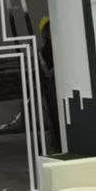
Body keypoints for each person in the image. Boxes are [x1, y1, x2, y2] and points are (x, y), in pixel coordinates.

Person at [37, 16, 60, 151]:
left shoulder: (61, 45)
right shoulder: (44, 51)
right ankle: (57, 143)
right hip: (52, 87)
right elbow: (47, 73)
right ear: (45, 33)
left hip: (58, 85)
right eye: (49, 28)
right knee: (54, 116)